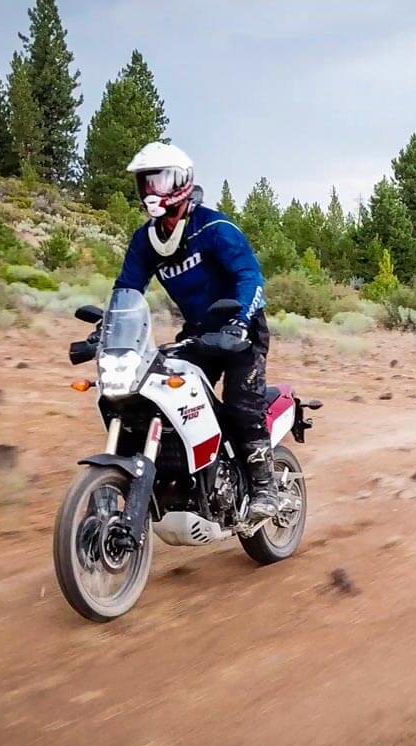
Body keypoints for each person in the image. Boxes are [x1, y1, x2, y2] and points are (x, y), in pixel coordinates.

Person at [112, 142, 277, 520]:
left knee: (241, 403)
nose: (152, 190)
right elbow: (126, 289)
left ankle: (265, 486)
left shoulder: (215, 228)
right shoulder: (145, 241)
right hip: (199, 334)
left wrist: (240, 322)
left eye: (161, 179)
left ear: (183, 182)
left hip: (242, 332)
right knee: (156, 392)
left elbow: (250, 276)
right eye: (145, 182)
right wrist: (110, 328)